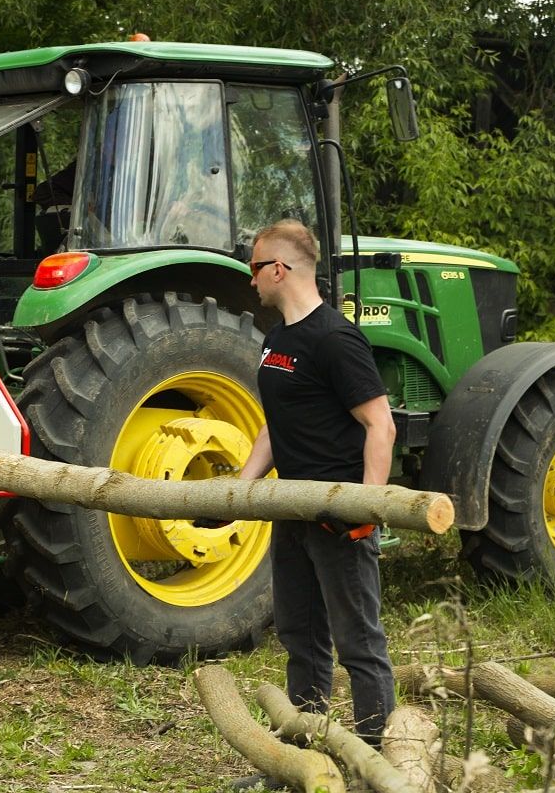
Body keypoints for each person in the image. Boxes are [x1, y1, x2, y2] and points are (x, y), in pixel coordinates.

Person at [230, 219, 397, 789]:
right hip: (291, 513)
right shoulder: (276, 340)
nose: (250, 280)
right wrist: (239, 490)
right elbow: (275, 430)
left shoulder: (335, 338)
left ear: (279, 269)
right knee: (300, 638)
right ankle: (300, 761)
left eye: (255, 268)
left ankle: (374, 760)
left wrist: (367, 509)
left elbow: (380, 425)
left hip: (338, 517)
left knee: (359, 642)